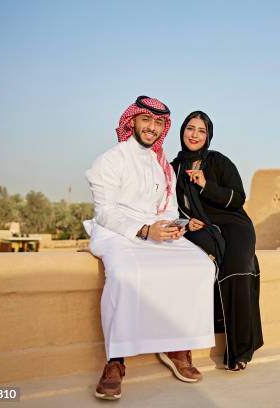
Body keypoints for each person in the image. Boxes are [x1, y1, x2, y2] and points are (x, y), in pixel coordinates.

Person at [84, 96, 216, 400]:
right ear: (133, 121)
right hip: (118, 231)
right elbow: (105, 211)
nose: (152, 128)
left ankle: (177, 347)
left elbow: (167, 207)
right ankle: (115, 361)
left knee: (200, 266)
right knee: (125, 273)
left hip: (157, 230)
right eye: (146, 120)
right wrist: (143, 230)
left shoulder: (162, 166)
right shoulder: (109, 160)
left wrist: (174, 225)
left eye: (159, 123)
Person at [171, 111, 263, 371]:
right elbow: (169, 208)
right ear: (182, 132)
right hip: (198, 227)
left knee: (236, 268)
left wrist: (205, 185)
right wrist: (185, 223)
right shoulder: (173, 169)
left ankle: (240, 351)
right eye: (190, 128)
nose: (195, 135)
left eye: (201, 131)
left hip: (234, 225)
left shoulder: (219, 161)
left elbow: (237, 199)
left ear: (208, 135)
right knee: (204, 261)